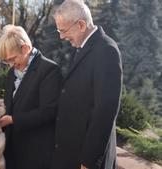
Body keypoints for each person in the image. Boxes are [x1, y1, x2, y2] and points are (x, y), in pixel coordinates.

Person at [51, 0, 123, 169]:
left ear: (81, 25)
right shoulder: (83, 47)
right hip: (72, 153)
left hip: (86, 160)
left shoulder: (106, 50)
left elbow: (105, 111)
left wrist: (88, 161)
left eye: (63, 30)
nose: (61, 36)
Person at [0, 24, 62, 169]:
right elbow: (11, 105)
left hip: (35, 154)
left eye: (12, 59)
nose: (11, 65)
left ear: (25, 48)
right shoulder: (11, 74)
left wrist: (13, 119)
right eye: (7, 61)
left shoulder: (49, 70)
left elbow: (49, 111)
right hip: (12, 152)